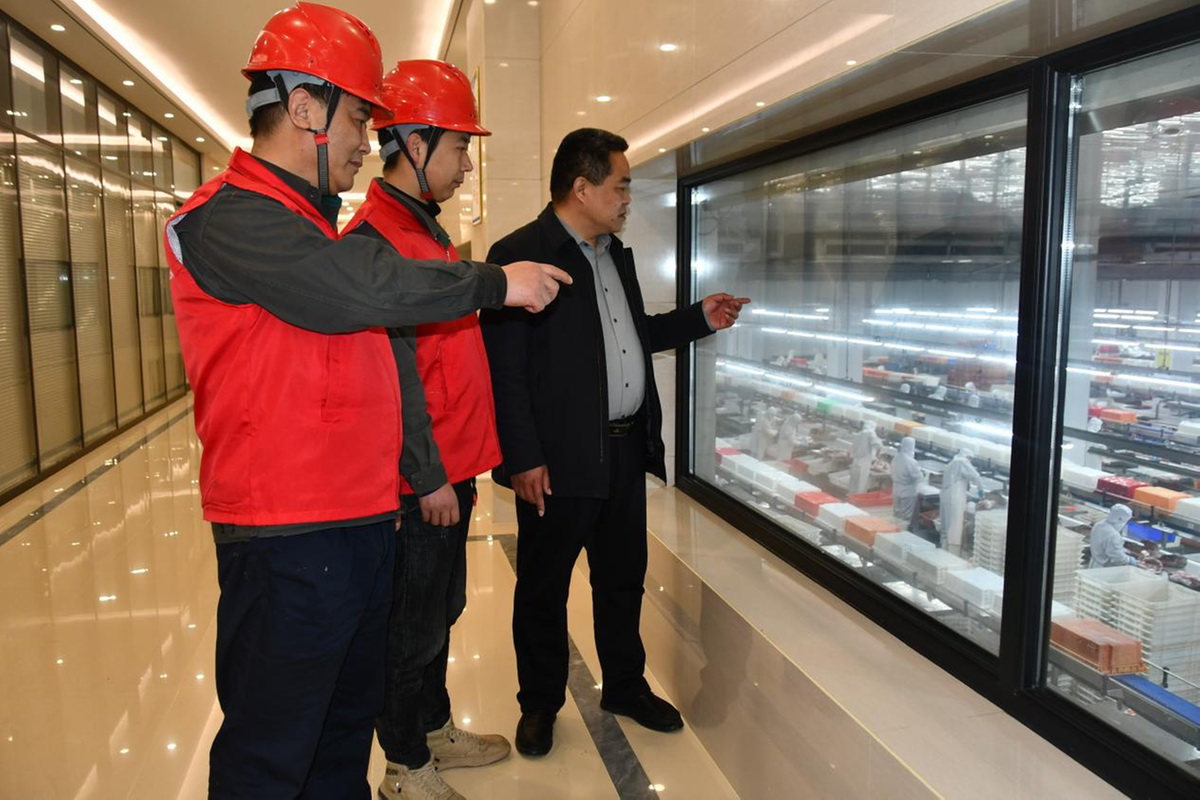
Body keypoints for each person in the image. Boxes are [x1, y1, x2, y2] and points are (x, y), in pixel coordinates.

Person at [163, 5, 569, 796]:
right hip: (285, 537)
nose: (365, 139)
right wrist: (495, 283)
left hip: (358, 522)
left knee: (343, 734)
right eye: (357, 118)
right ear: (303, 107)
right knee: (273, 754)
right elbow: (355, 286)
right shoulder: (227, 220)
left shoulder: (311, 227)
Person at [480, 128, 749, 757]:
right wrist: (523, 457)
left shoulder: (614, 254)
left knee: (623, 578)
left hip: (623, 451)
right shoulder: (520, 254)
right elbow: (505, 372)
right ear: (583, 187)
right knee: (544, 588)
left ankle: (625, 685)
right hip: (558, 460)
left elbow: (629, 336)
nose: (629, 197)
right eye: (621, 185)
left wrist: (697, 319)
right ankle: (540, 703)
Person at [342, 60, 509, 800]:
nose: (466, 165)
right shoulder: (376, 239)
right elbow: (394, 377)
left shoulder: (423, 230)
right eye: (459, 147)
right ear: (414, 144)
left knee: (442, 610)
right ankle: (404, 767)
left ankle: (434, 728)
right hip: (422, 479)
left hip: (452, 466)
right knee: (410, 628)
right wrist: (427, 474)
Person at [940, 448, 984, 555]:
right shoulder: (962, 462)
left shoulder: (951, 463)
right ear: (968, 457)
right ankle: (952, 554)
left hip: (946, 496)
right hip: (955, 499)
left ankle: (943, 551)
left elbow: (956, 481)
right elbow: (976, 476)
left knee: (946, 526)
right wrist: (981, 491)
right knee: (954, 526)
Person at [890, 436, 924, 529]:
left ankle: (893, 530)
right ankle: (901, 533)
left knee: (896, 513)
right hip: (908, 492)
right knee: (905, 517)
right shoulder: (911, 461)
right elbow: (918, 477)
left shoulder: (896, 458)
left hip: (896, 489)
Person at [848, 420, 883, 494]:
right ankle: (857, 498)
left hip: (855, 461)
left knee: (853, 483)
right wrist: (878, 454)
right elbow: (878, 444)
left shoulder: (859, 434)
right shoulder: (870, 433)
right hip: (863, 462)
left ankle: (850, 497)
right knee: (861, 483)